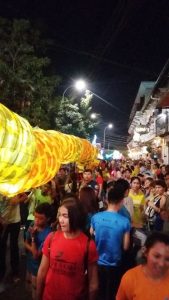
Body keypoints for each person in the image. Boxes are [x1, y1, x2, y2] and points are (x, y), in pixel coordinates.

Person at [36, 196, 98, 300]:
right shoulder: (51, 238)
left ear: (76, 217)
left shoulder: (88, 245)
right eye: (59, 215)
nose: (61, 220)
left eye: (65, 216)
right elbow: (42, 272)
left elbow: (93, 283)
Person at [90, 181, 131, 300]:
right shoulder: (125, 221)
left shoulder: (95, 217)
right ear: (122, 201)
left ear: (107, 200)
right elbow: (125, 246)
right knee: (112, 291)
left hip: (97, 261)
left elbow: (92, 234)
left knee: (99, 290)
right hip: (115, 263)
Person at [116, 231, 169, 300]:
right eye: (156, 256)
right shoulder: (130, 278)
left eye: (168, 259)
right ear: (145, 252)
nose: (162, 264)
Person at [25, 203, 52, 299]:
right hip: (30, 262)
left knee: (36, 290)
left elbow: (36, 255)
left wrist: (33, 238)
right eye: (35, 217)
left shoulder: (49, 234)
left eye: (40, 218)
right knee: (29, 287)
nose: (36, 220)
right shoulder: (33, 224)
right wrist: (32, 249)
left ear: (48, 219)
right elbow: (25, 243)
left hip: (38, 267)